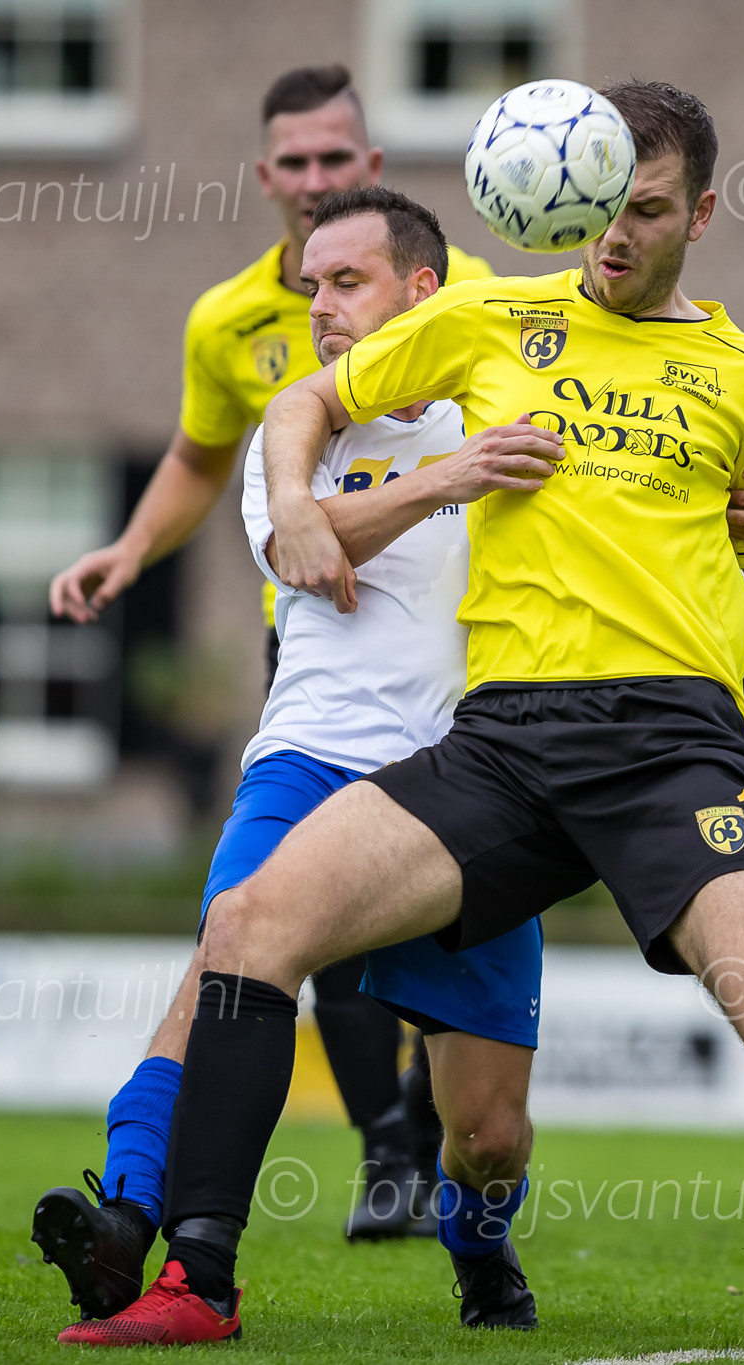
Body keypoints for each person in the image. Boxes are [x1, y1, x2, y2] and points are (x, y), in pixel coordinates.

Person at [105, 84, 744, 1363]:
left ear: (698, 213)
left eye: (642, 209)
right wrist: (299, 506)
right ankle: (199, 1279)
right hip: (501, 744)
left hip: (673, 749)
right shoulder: (488, 316)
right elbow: (306, 402)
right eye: (594, 205)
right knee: (250, 926)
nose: (611, 233)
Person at [47, 62, 744, 1244]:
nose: (318, 307)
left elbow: (651, 472)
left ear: (422, 289)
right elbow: (291, 527)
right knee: (230, 953)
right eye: (309, 283)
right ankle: (137, 1216)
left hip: (479, 766)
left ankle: (471, 1232)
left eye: (346, 282)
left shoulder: (504, 356)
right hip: (314, 745)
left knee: (489, 1128)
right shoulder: (287, 419)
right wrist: (401, 485)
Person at [48, 62, 495, 1241]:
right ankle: (166, 1210)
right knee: (250, 941)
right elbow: (205, 455)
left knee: (471, 1079)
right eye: (292, 163)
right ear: (264, 177)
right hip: (316, 673)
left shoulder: (482, 309)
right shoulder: (230, 325)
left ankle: (448, 1181)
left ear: (372, 169)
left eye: (332, 159)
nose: (311, 179)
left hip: (470, 709)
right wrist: (143, 547)